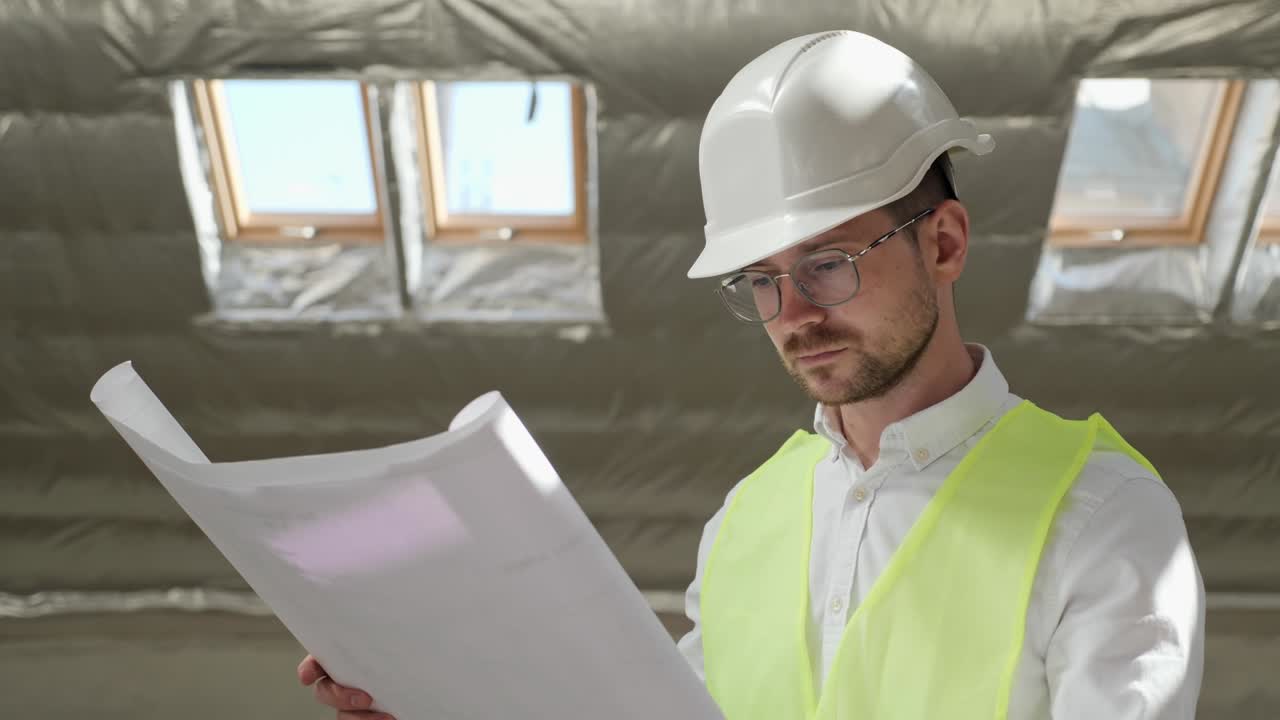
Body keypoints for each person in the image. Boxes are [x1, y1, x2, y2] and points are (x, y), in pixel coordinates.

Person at [297, 30, 1204, 720]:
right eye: (761, 280)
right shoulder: (747, 519)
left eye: (827, 263)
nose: (795, 314)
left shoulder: (1103, 517)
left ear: (945, 242)